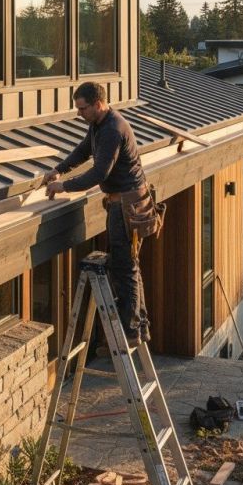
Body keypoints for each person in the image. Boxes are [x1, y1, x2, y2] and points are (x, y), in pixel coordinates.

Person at [43, 81, 151, 343]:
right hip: (123, 201)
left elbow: (99, 173)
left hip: (127, 206)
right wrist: (60, 168)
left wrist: (64, 186)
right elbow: (84, 150)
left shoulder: (113, 129)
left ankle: (131, 331)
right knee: (129, 266)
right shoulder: (99, 124)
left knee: (125, 267)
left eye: (82, 108)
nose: (79, 114)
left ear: (98, 104)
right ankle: (140, 325)